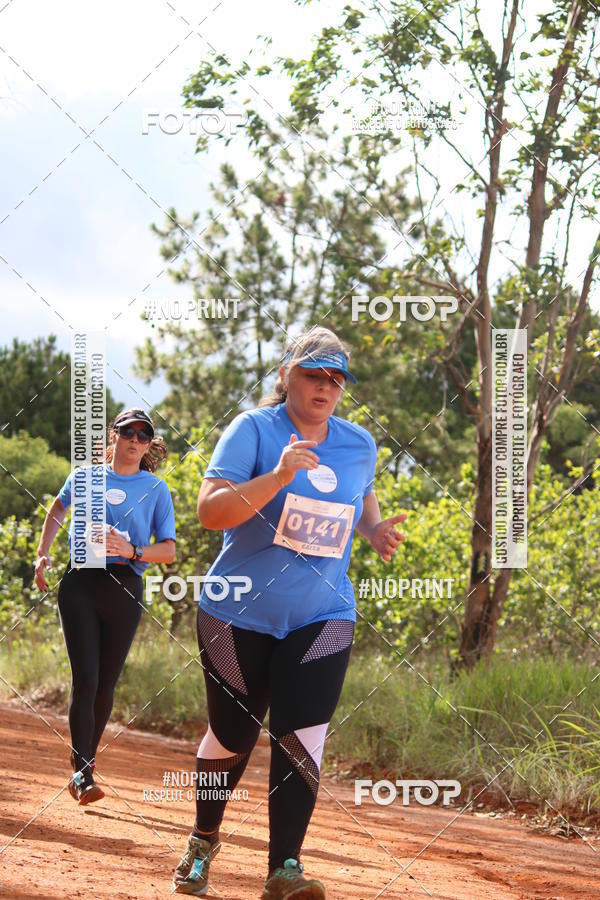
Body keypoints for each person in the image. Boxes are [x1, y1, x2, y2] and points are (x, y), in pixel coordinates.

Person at [173, 327, 406, 899]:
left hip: (322, 613)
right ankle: (203, 842)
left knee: (302, 736)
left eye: (336, 378)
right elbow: (209, 513)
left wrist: (373, 529)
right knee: (232, 734)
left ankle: (286, 870)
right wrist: (278, 476)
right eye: (313, 374)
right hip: (236, 613)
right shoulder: (253, 429)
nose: (325, 387)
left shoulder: (357, 444)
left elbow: (359, 496)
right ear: (286, 375)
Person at [35, 409, 176, 805]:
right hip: (80, 582)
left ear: (149, 445)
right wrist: (43, 555)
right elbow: (57, 509)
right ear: (113, 436)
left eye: (143, 436)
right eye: (127, 432)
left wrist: (131, 549)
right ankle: (82, 774)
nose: (134, 440)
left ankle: (85, 765)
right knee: (87, 679)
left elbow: (168, 550)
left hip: (125, 586)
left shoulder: (156, 490)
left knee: (106, 685)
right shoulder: (84, 477)